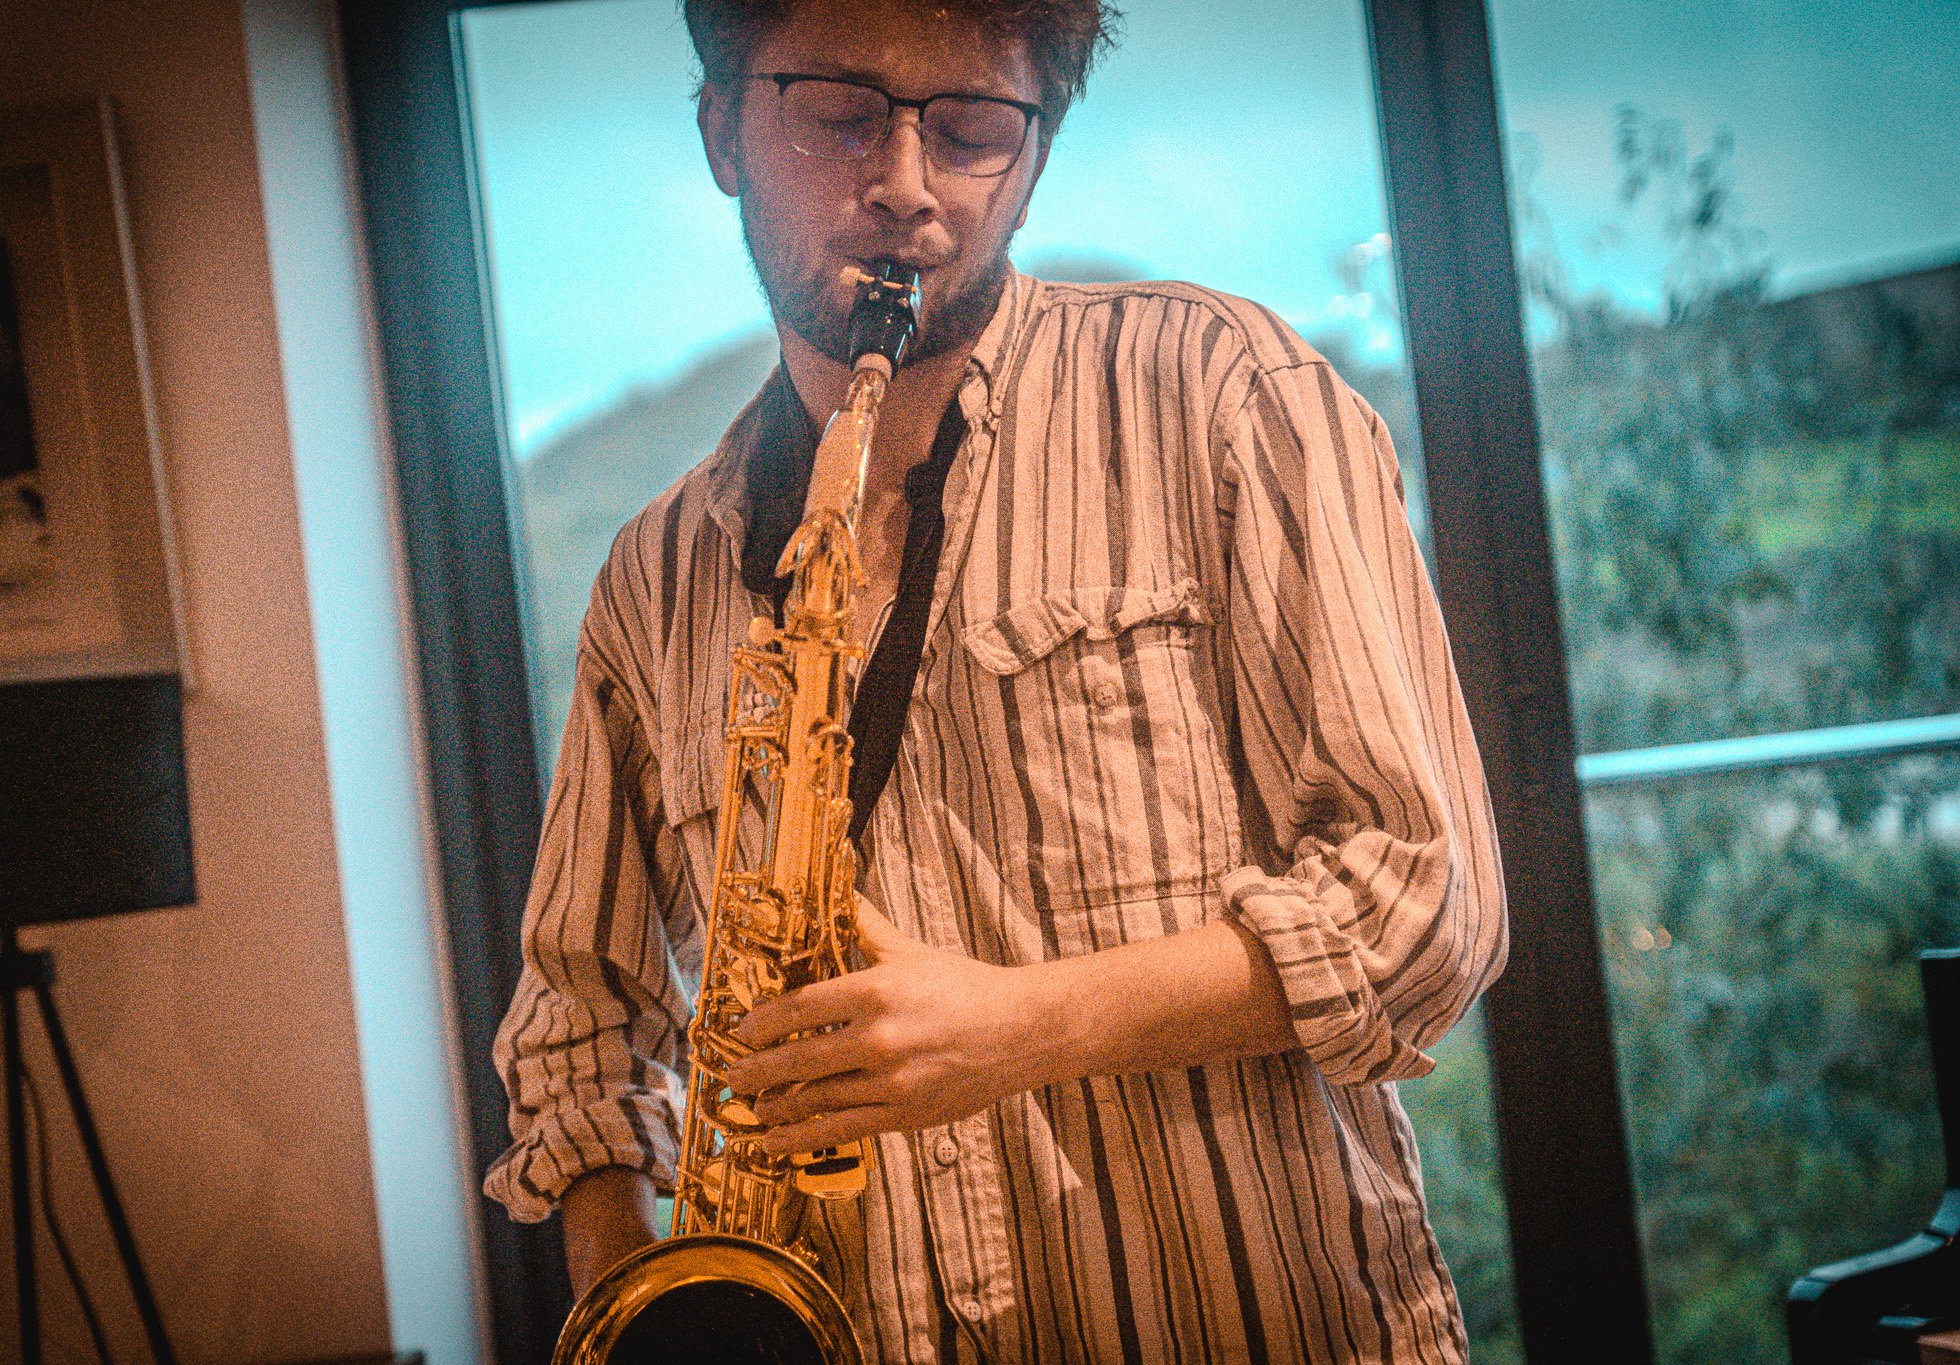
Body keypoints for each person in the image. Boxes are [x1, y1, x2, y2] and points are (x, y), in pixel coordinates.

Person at [484, 0, 1508, 1359]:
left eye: (970, 129)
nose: (906, 185)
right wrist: (643, 1301)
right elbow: (579, 1032)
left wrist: (1019, 1026)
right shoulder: (651, 578)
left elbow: (1429, 897)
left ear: (1035, 156)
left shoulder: (1228, 395)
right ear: (723, 128)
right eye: (839, 112)